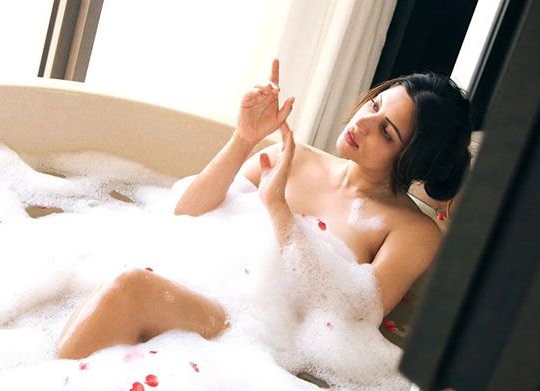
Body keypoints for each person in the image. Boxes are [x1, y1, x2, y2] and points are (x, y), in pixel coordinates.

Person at [56, 59, 472, 360]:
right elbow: (185, 212)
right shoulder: (297, 157)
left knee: (131, 290)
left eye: (386, 131)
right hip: (200, 285)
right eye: (375, 105)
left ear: (412, 160)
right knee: (119, 286)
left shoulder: (412, 230)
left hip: (252, 331)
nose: (363, 123)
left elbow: (355, 315)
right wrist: (243, 140)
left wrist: (277, 208)